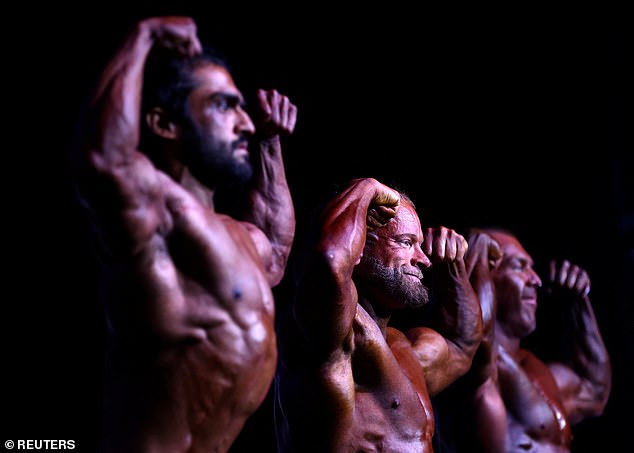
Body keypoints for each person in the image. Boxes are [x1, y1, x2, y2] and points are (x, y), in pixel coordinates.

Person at [72, 16, 297, 453]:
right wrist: (145, 35)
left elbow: (275, 253)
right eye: (221, 105)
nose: (244, 123)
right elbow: (103, 160)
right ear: (163, 123)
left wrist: (270, 142)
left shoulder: (240, 237)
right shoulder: (156, 211)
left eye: (241, 108)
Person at [275, 177, 483, 452]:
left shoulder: (404, 348)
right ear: (359, 246)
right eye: (406, 243)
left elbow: (463, 344)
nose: (423, 260)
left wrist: (453, 266)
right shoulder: (334, 337)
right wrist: (366, 188)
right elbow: (329, 260)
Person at [437, 228, 611, 452]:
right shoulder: (473, 368)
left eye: (532, 268)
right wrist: (476, 256)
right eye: (519, 266)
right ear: (488, 274)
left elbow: (594, 389)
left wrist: (578, 302)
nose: (536, 280)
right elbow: (478, 344)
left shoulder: (536, 369)